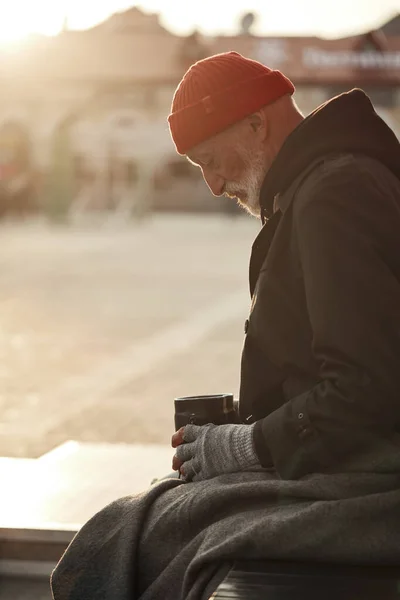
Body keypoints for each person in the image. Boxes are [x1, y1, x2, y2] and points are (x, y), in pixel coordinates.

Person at [51, 52, 400, 600]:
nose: (213, 185)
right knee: (150, 513)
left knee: (141, 526)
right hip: (344, 454)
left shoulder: (335, 192)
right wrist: (239, 433)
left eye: (210, 160)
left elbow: (370, 386)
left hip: (375, 470)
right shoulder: (321, 186)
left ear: (258, 124)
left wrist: (247, 445)